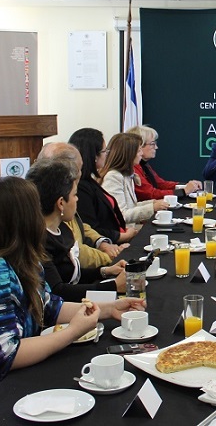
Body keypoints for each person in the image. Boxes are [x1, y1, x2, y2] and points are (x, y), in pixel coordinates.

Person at [0, 176, 145, 425]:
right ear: (24, 220)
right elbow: (3, 354)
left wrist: (108, 308)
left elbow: (47, 306)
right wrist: (72, 332)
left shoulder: (18, 259)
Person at [25, 159, 126, 301]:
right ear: (61, 203)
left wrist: (104, 271)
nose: (77, 199)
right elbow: (58, 291)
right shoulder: (40, 240)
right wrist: (113, 286)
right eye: (74, 195)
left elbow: (71, 274)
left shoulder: (62, 229)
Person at [38, 142, 124, 267]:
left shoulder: (65, 192)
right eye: (79, 169)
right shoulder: (56, 199)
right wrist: (109, 257)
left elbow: (79, 225)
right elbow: (76, 249)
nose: (80, 174)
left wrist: (101, 242)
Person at [69, 128, 139, 244]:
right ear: (94, 156)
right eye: (104, 151)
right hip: (110, 244)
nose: (107, 154)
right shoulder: (81, 187)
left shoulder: (90, 181)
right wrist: (122, 236)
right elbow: (90, 227)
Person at [100, 132, 168, 228]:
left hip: (131, 227)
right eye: (139, 150)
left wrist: (153, 203)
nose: (141, 153)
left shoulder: (127, 175)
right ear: (129, 154)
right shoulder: (113, 177)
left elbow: (132, 206)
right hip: (124, 232)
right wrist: (152, 208)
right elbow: (121, 214)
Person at [127, 125, 201, 199]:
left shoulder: (143, 165)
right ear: (138, 146)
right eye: (152, 144)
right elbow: (150, 194)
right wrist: (183, 191)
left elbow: (161, 184)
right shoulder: (133, 168)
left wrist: (187, 185)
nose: (156, 147)